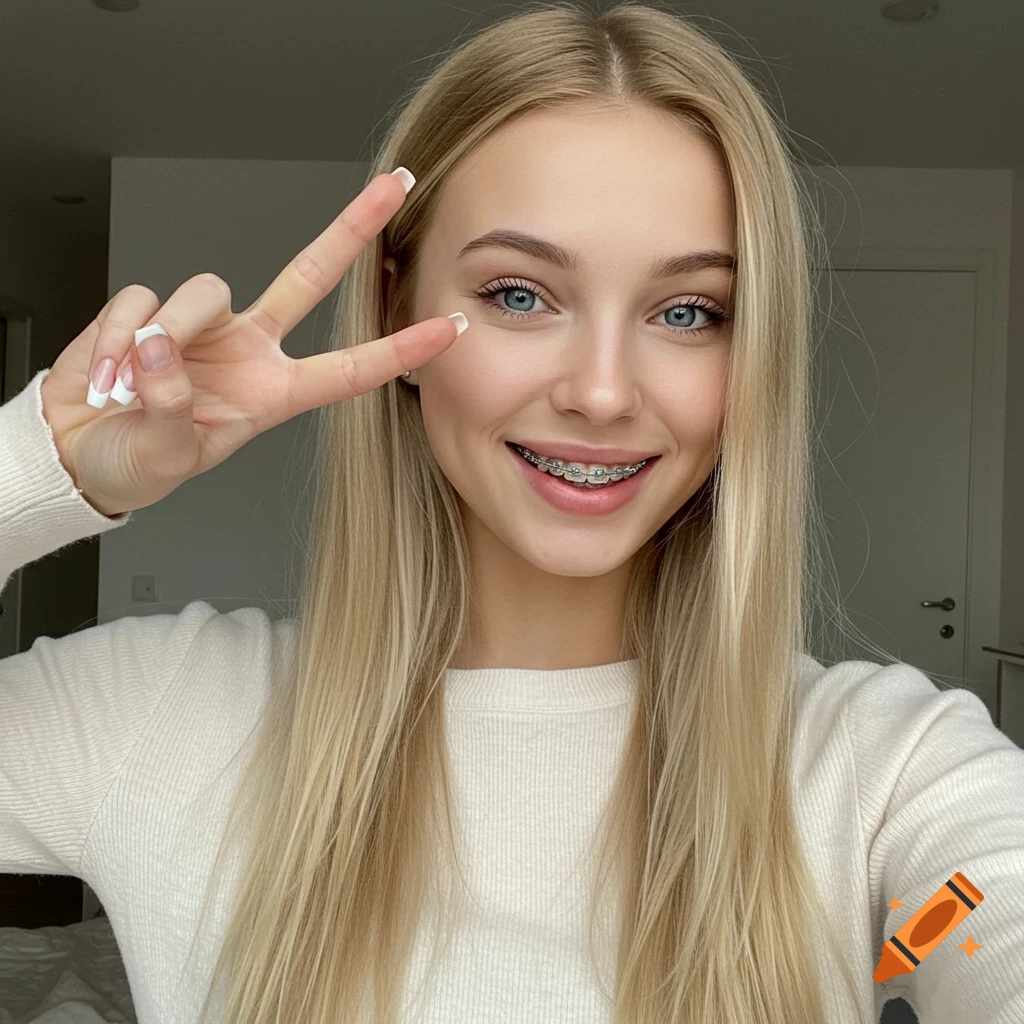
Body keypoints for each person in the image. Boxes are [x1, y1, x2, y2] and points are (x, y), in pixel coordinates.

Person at [1, 3, 1022, 1023]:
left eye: (689, 312)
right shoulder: (154, 715)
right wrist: (40, 469)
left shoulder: (889, 771)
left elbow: (986, 924)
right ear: (396, 302)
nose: (603, 392)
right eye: (520, 295)